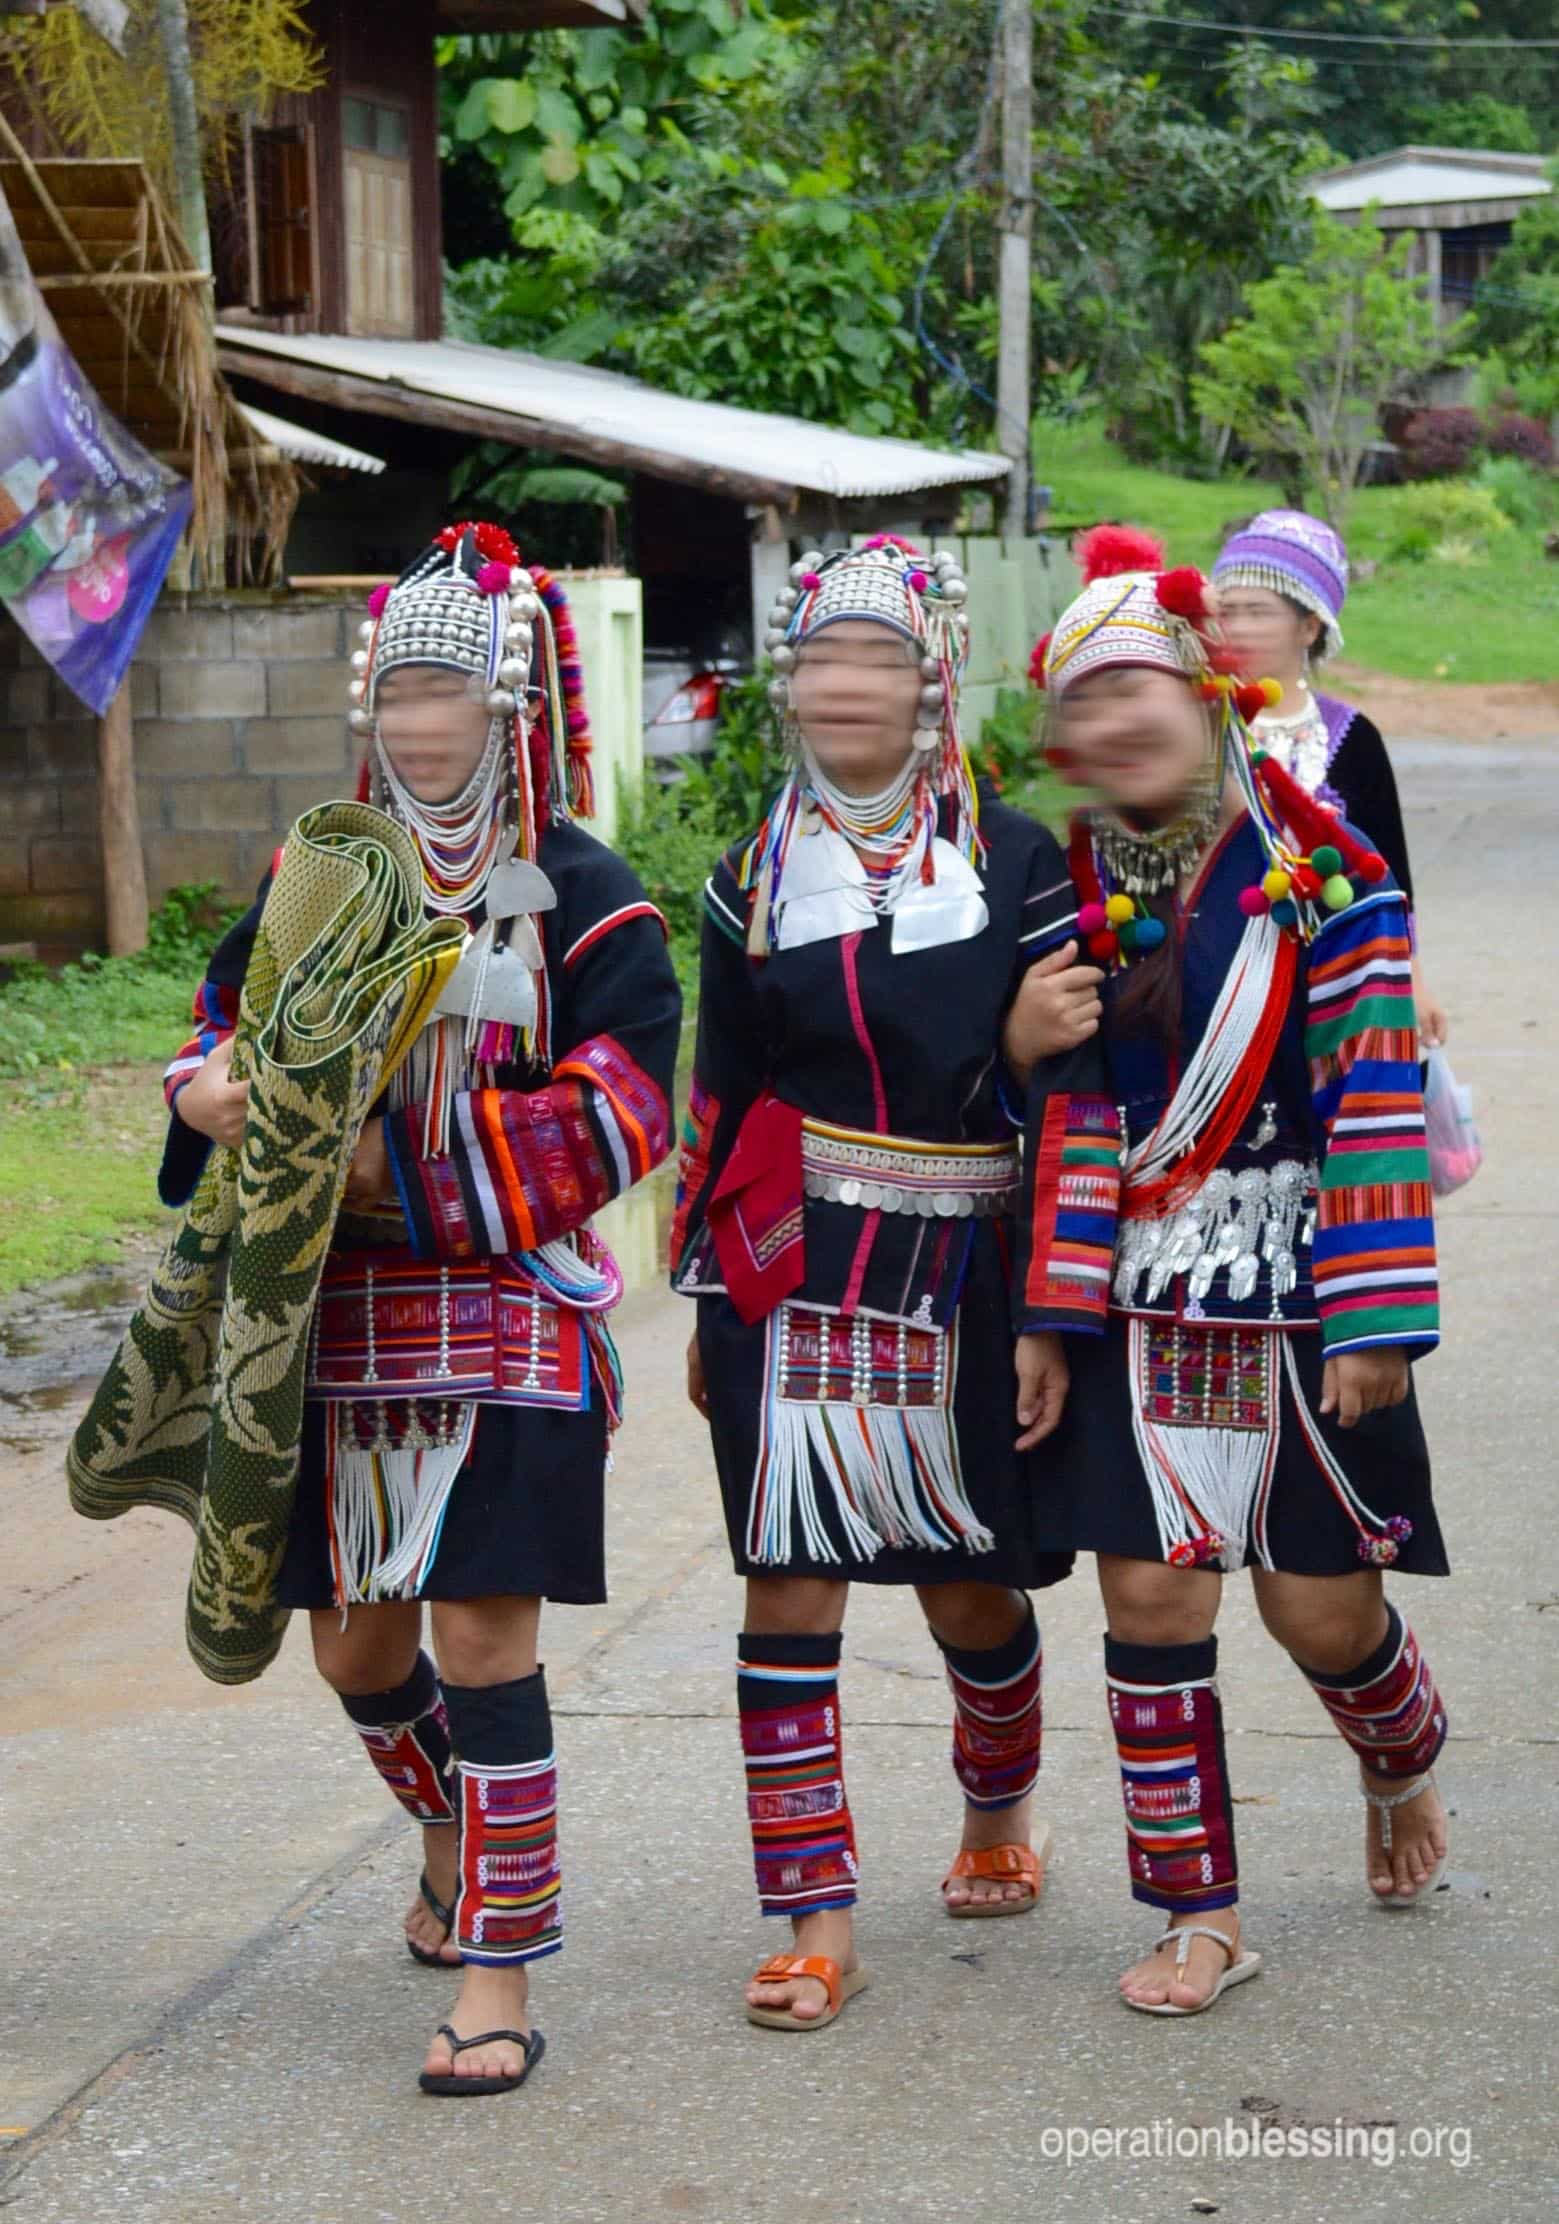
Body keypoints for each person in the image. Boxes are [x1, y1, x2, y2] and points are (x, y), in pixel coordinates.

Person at [165, 522, 681, 2094]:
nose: (417, 719)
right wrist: (203, 1091)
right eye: (395, 690)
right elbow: (219, 1021)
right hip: (341, 1316)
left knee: (478, 1633)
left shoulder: (587, 896)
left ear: (511, 706)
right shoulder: (319, 874)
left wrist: (394, 1163)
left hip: (508, 1298)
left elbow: (626, 1107)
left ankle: (499, 1970)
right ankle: (454, 1826)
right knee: (352, 1649)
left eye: (447, 690)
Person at [1009, 527, 1452, 2019]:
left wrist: (1376, 1315)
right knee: (1148, 1600)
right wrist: (1049, 1314)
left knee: (1317, 1613)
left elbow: (1373, 1098)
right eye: (1081, 701)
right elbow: (1068, 1115)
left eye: (1134, 687)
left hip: (1303, 1287)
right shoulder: (1067, 891)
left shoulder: (1320, 874)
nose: (1111, 722)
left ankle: (1397, 1755)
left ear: (1207, 695)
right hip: (1140, 1296)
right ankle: (1196, 1911)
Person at [670, 537, 1078, 2031]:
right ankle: (811, 1912)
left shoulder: (1016, 863)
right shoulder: (750, 880)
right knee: (786, 1581)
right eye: (819, 659)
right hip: (791, 1263)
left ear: (927, 682)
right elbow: (721, 1092)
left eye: (875, 658)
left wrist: (1050, 1315)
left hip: (963, 1265)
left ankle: (996, 1799)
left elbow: (1075, 1084)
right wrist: (704, 1291)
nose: (842, 685)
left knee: (966, 1582)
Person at [1211, 508, 1448, 1047]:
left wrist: (1412, 976)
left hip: (1335, 972)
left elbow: (1390, 871)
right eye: (1226, 611)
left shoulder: (1351, 736)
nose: (1238, 628)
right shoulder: (1198, 724)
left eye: (1258, 612)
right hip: (1217, 971)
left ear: (1310, 626)